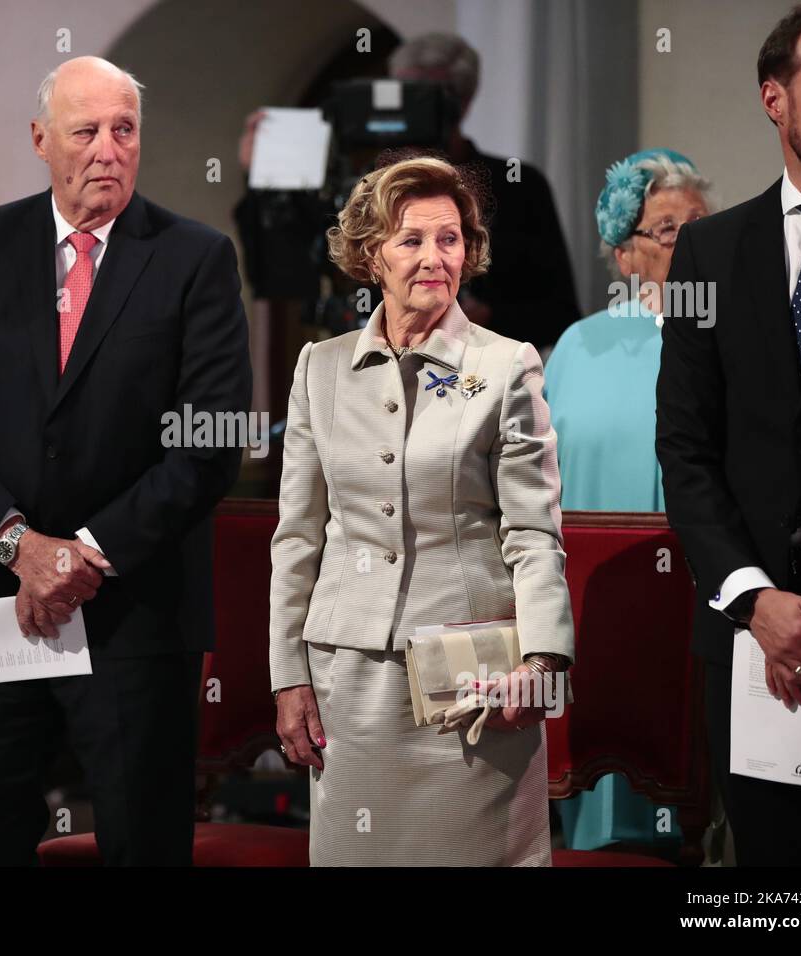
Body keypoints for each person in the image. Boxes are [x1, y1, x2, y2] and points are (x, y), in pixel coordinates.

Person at [0, 56, 252, 866]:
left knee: (142, 840)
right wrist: (22, 550)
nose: (107, 148)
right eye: (86, 130)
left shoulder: (195, 259)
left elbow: (207, 446)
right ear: (40, 140)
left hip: (134, 614)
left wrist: (83, 556)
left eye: (124, 130)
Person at [269, 152, 575, 866]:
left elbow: (534, 531)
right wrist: (289, 674)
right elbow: (297, 538)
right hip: (349, 683)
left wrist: (543, 657)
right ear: (370, 254)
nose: (434, 257)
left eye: (450, 239)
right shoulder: (320, 368)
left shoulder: (506, 366)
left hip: (470, 687)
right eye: (411, 240)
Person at [657, 4, 801, 866]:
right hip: (750, 648)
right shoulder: (708, 251)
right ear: (774, 99)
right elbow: (685, 446)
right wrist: (754, 599)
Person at [546, 148, 715, 851]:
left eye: (702, 226)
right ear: (625, 256)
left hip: (695, 590)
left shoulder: (727, 335)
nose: (694, 242)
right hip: (589, 596)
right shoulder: (577, 347)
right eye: (671, 230)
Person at [235, 32, 581, 351]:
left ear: (462, 102)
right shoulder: (364, 188)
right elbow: (281, 270)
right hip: (370, 373)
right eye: (401, 93)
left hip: (479, 379)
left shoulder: (517, 186)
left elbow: (559, 315)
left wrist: (485, 318)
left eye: (422, 98)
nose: (407, 111)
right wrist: (267, 176)